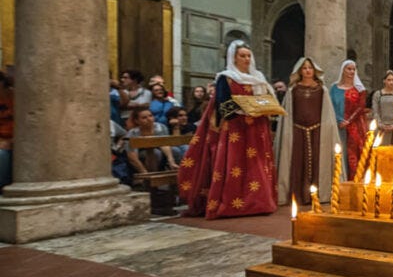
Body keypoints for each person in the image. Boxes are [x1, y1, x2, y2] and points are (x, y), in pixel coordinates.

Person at [178, 41, 277, 219]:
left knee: (257, 166)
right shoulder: (226, 78)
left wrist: (263, 107)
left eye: (248, 55)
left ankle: (260, 201)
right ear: (234, 58)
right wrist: (246, 108)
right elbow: (223, 105)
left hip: (257, 129)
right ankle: (232, 204)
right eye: (242, 56)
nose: (246, 59)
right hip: (236, 131)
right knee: (235, 166)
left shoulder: (258, 78)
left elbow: (267, 99)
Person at [275, 57, 340, 207]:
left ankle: (317, 194)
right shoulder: (293, 90)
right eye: (304, 68)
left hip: (317, 131)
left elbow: (327, 114)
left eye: (310, 68)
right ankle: (296, 194)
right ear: (300, 71)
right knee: (296, 162)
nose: (307, 70)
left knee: (318, 162)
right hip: (297, 132)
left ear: (314, 71)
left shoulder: (321, 89)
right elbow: (288, 113)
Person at [331, 60, 368, 179]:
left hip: (355, 126)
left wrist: (348, 121)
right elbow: (330, 105)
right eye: (349, 69)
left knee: (354, 155)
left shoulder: (360, 90)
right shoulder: (334, 88)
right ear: (343, 70)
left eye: (353, 69)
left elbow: (360, 107)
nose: (351, 71)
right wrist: (338, 120)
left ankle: (355, 181)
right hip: (337, 125)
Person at [125, 108, 172, 176]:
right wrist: (144, 172)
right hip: (141, 153)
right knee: (156, 153)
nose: (149, 119)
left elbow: (165, 144)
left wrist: (171, 160)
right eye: (144, 118)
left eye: (150, 116)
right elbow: (132, 156)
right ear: (137, 121)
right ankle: (153, 177)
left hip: (159, 149)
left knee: (176, 150)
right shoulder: (133, 133)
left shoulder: (161, 127)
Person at [371, 70, 393, 146]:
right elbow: (375, 111)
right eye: (389, 80)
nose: (391, 82)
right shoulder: (378, 94)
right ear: (384, 81)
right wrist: (381, 124)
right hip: (382, 127)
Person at [0, 71, 12, 192]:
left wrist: (12, 141)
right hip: (2, 141)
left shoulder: (16, 99)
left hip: (14, 142)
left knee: (1, 155)